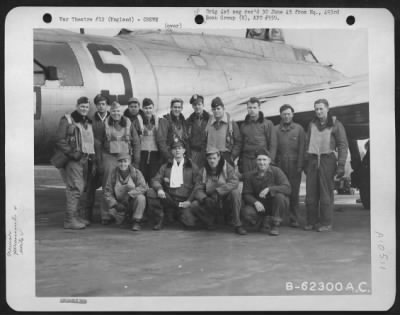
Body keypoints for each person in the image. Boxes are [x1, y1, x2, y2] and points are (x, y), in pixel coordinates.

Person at [304, 98, 348, 232]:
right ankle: (312, 222)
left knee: (325, 193)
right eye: (316, 109)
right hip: (312, 160)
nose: (318, 111)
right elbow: (306, 144)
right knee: (310, 193)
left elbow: (342, 145)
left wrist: (341, 165)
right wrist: (305, 163)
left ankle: (326, 223)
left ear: (327, 109)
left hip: (327, 160)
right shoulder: (312, 124)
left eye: (321, 108)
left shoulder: (336, 124)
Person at [54, 96, 95, 229]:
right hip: (73, 160)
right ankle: (69, 220)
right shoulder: (67, 120)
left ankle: (75, 216)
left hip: (85, 159)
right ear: (77, 106)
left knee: (81, 187)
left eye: (86, 107)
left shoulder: (87, 122)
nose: (84, 109)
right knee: (75, 188)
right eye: (82, 106)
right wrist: (72, 153)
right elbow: (60, 140)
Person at [99, 101, 141, 224]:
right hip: (109, 156)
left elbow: (136, 143)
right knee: (107, 184)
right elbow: (98, 143)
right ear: (109, 112)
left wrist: (136, 161)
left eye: (118, 111)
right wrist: (99, 161)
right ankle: (106, 214)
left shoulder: (129, 123)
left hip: (125, 157)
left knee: (127, 184)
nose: (116, 113)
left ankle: (126, 213)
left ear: (122, 112)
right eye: (113, 111)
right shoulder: (105, 124)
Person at [147, 140, 199, 230]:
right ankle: (160, 217)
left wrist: (189, 201)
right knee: (151, 192)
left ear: (184, 150)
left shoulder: (192, 166)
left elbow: (198, 185)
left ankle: (178, 214)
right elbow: (155, 179)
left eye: (179, 148)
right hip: (169, 199)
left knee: (190, 224)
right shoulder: (166, 166)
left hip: (184, 200)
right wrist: (159, 189)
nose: (177, 151)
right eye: (174, 148)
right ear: (171, 151)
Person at [193, 148, 246, 235]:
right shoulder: (203, 170)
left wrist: (218, 191)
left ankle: (237, 224)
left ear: (219, 158)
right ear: (207, 159)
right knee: (194, 205)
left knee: (235, 193)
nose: (212, 161)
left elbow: (234, 182)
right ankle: (209, 221)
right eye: (210, 158)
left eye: (214, 158)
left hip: (225, 199)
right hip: (211, 200)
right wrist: (204, 198)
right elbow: (198, 188)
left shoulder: (227, 167)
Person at [241, 149, 291, 236]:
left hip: (274, 205)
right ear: (256, 161)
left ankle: (275, 224)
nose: (262, 162)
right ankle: (261, 220)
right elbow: (246, 194)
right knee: (246, 213)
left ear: (269, 161)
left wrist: (270, 189)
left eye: (264, 160)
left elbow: (287, 188)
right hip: (260, 206)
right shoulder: (250, 175)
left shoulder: (277, 171)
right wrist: (255, 202)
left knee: (280, 197)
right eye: (259, 160)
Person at [274, 104, 305, 227]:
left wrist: (300, 165)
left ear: (292, 114)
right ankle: (279, 217)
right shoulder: (275, 129)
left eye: (289, 114)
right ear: (280, 115)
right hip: (280, 165)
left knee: (294, 193)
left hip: (294, 165)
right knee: (280, 191)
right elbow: (273, 148)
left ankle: (294, 218)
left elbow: (302, 148)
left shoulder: (299, 129)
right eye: (284, 114)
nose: (286, 116)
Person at [103, 153, 148, 231]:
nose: (122, 164)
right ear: (117, 163)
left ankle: (136, 221)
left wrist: (130, 195)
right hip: (119, 203)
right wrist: (115, 204)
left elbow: (143, 187)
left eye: (125, 161)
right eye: (120, 162)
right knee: (119, 222)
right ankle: (124, 216)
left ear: (129, 162)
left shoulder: (136, 173)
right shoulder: (113, 174)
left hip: (131, 200)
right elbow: (107, 191)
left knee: (141, 198)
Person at [85, 94, 110, 222]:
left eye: (103, 104)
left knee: (108, 186)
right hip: (93, 156)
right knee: (90, 186)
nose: (101, 106)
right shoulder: (90, 120)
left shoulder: (113, 118)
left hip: (107, 156)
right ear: (96, 106)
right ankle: (87, 215)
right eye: (99, 104)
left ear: (107, 105)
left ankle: (106, 215)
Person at [239, 97, 277, 173]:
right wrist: (240, 161)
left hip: (261, 160)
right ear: (247, 109)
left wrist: (270, 161)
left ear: (259, 108)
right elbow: (240, 144)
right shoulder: (243, 125)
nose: (252, 110)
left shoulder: (267, 124)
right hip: (247, 160)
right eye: (250, 107)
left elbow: (273, 144)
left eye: (254, 107)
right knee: (247, 181)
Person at [206, 97, 242, 166]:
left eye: (218, 109)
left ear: (223, 108)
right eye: (214, 109)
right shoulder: (209, 122)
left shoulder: (231, 123)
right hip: (211, 157)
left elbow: (238, 142)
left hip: (226, 156)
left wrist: (232, 157)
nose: (216, 111)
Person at [157, 98, 189, 162]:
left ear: (182, 109)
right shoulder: (165, 121)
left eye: (179, 107)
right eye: (175, 107)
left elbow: (185, 140)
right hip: (169, 156)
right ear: (171, 108)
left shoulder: (183, 122)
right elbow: (161, 141)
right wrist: (168, 157)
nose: (177, 109)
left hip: (181, 156)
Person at [139, 97, 162, 184]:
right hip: (142, 153)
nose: (148, 110)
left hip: (155, 153)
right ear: (142, 108)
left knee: (153, 177)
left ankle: (152, 196)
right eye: (146, 108)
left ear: (153, 108)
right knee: (142, 178)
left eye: (150, 108)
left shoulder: (158, 121)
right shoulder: (139, 121)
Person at [186, 94, 210, 169]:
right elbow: (187, 139)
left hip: (207, 152)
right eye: (195, 105)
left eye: (199, 104)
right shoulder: (189, 121)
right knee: (195, 174)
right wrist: (189, 154)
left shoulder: (210, 119)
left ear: (203, 105)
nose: (197, 107)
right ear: (192, 106)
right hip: (194, 152)